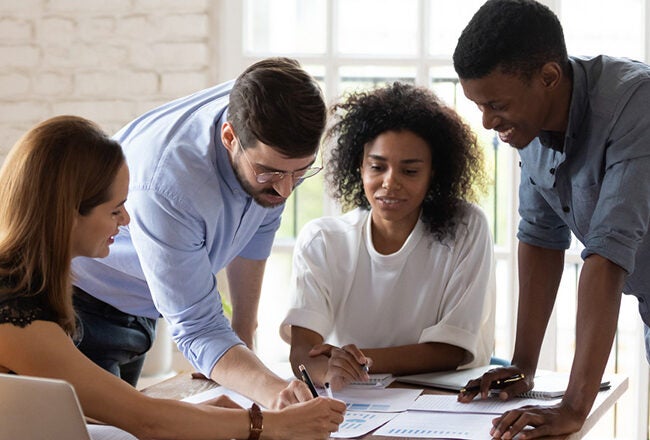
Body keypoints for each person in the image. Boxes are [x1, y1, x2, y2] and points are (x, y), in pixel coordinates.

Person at [0, 115, 346, 440]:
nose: (126, 221)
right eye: (115, 209)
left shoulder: (30, 285)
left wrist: (193, 415)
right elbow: (144, 419)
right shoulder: (15, 313)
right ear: (68, 213)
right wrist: (271, 424)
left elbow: (76, 409)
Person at [71, 58, 328, 407]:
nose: (285, 189)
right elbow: (198, 328)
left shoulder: (269, 108)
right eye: (269, 173)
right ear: (229, 137)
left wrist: (241, 340)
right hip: (83, 307)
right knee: (108, 428)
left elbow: (258, 224)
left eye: (300, 173)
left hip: (143, 308)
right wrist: (275, 394)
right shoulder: (168, 185)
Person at [453, 0, 650, 438]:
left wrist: (575, 407)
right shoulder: (529, 123)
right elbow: (541, 238)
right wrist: (523, 367)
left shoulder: (636, 103)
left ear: (548, 78)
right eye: (479, 105)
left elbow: (608, 253)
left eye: (496, 104)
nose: (487, 122)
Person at [279, 82, 496, 391]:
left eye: (409, 171)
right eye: (377, 166)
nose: (390, 183)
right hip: (359, 403)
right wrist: (330, 368)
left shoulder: (465, 227)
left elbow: (453, 349)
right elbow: (303, 355)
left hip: (444, 401)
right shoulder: (323, 240)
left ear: (434, 172)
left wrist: (355, 360)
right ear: (359, 166)